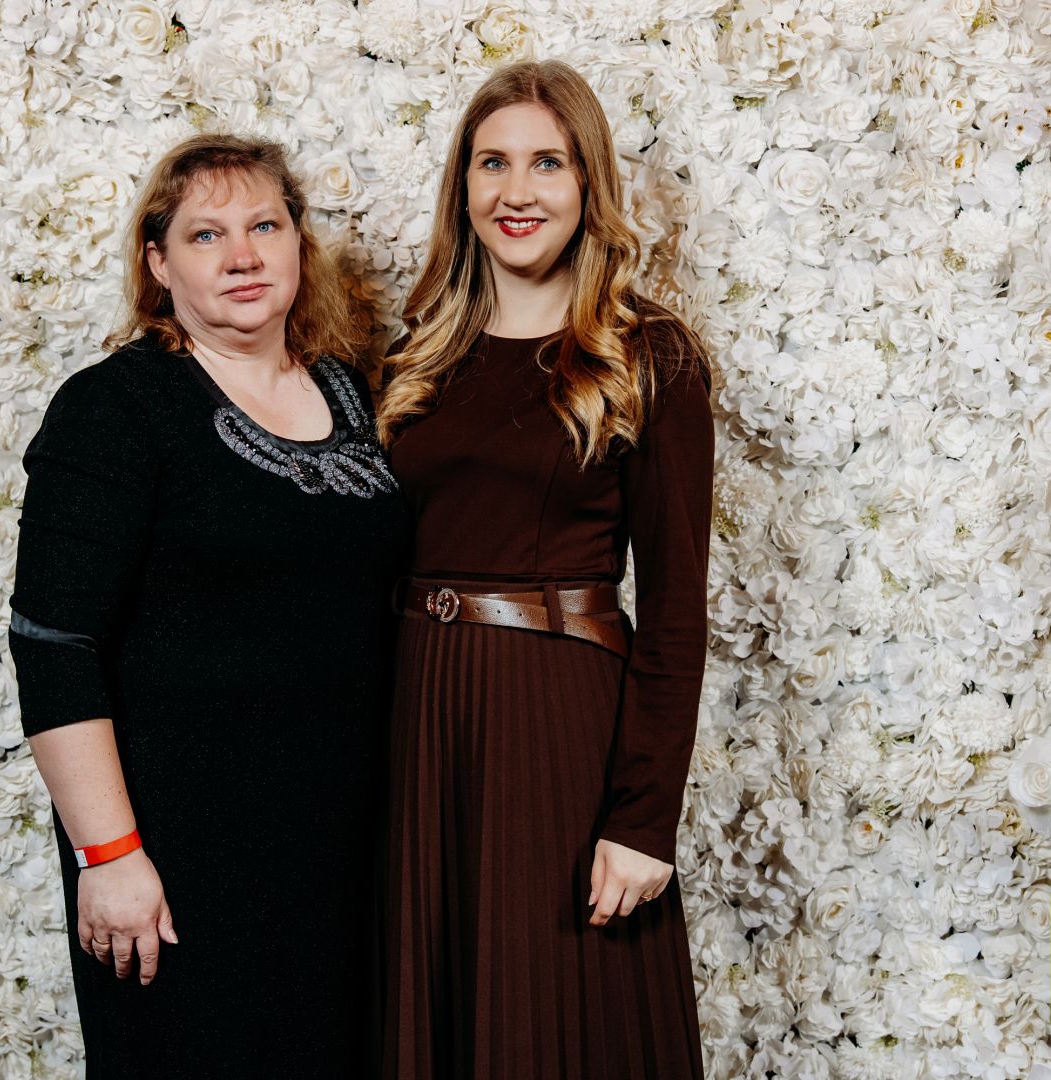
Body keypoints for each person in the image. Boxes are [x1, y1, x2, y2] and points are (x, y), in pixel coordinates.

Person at [8, 133, 407, 1079]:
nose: (242, 256)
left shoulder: (348, 389)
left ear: (299, 242)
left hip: (340, 847)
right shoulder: (116, 408)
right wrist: (109, 856)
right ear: (158, 263)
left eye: (264, 226)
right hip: (179, 859)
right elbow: (53, 641)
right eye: (205, 235)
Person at [378, 61, 714, 1079]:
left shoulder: (647, 355)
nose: (515, 192)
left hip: (558, 725)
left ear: (588, 182)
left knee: (553, 1019)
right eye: (492, 163)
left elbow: (676, 612)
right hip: (421, 723)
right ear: (462, 184)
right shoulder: (413, 357)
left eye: (546, 164)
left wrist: (644, 821)